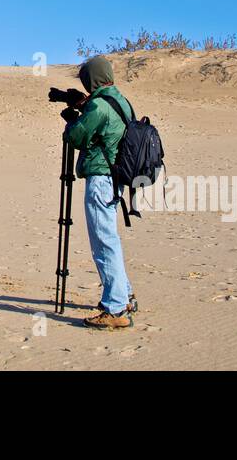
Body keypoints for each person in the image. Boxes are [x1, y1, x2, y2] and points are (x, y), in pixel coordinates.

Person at [61, 55, 138, 329]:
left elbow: (77, 136)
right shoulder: (120, 100)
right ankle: (124, 295)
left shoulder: (99, 105)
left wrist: (71, 120)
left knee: (103, 242)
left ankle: (115, 308)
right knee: (110, 239)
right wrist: (83, 104)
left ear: (91, 79)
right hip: (115, 178)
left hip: (101, 178)